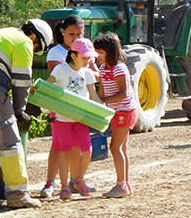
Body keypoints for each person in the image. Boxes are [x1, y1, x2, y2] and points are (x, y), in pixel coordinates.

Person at [0, 19, 53, 211]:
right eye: (37, 47)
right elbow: (22, 80)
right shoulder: (23, 42)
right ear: (34, 36)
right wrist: (19, 111)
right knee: (10, 143)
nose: (34, 50)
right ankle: (18, 196)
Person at [39, 15, 94, 198]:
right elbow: (55, 82)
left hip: (78, 111)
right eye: (72, 34)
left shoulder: (84, 51)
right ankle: (52, 182)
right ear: (63, 32)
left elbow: (90, 76)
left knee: (78, 148)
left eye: (79, 34)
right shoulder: (56, 53)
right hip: (61, 109)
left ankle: (75, 181)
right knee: (60, 147)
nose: (75, 38)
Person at [46, 38, 102, 199]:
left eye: (90, 58)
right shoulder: (61, 70)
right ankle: (64, 187)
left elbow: (93, 96)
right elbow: (47, 86)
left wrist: (104, 111)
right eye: (85, 57)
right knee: (66, 151)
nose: (88, 61)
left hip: (80, 118)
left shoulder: (88, 73)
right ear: (74, 55)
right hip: (62, 119)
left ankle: (79, 180)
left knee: (87, 149)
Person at [94, 32, 139, 198]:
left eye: (100, 52)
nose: (97, 55)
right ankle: (125, 183)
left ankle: (121, 185)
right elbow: (102, 92)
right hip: (117, 112)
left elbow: (123, 94)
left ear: (109, 52)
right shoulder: (103, 69)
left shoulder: (119, 69)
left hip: (124, 111)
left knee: (115, 147)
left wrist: (105, 100)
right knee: (122, 148)